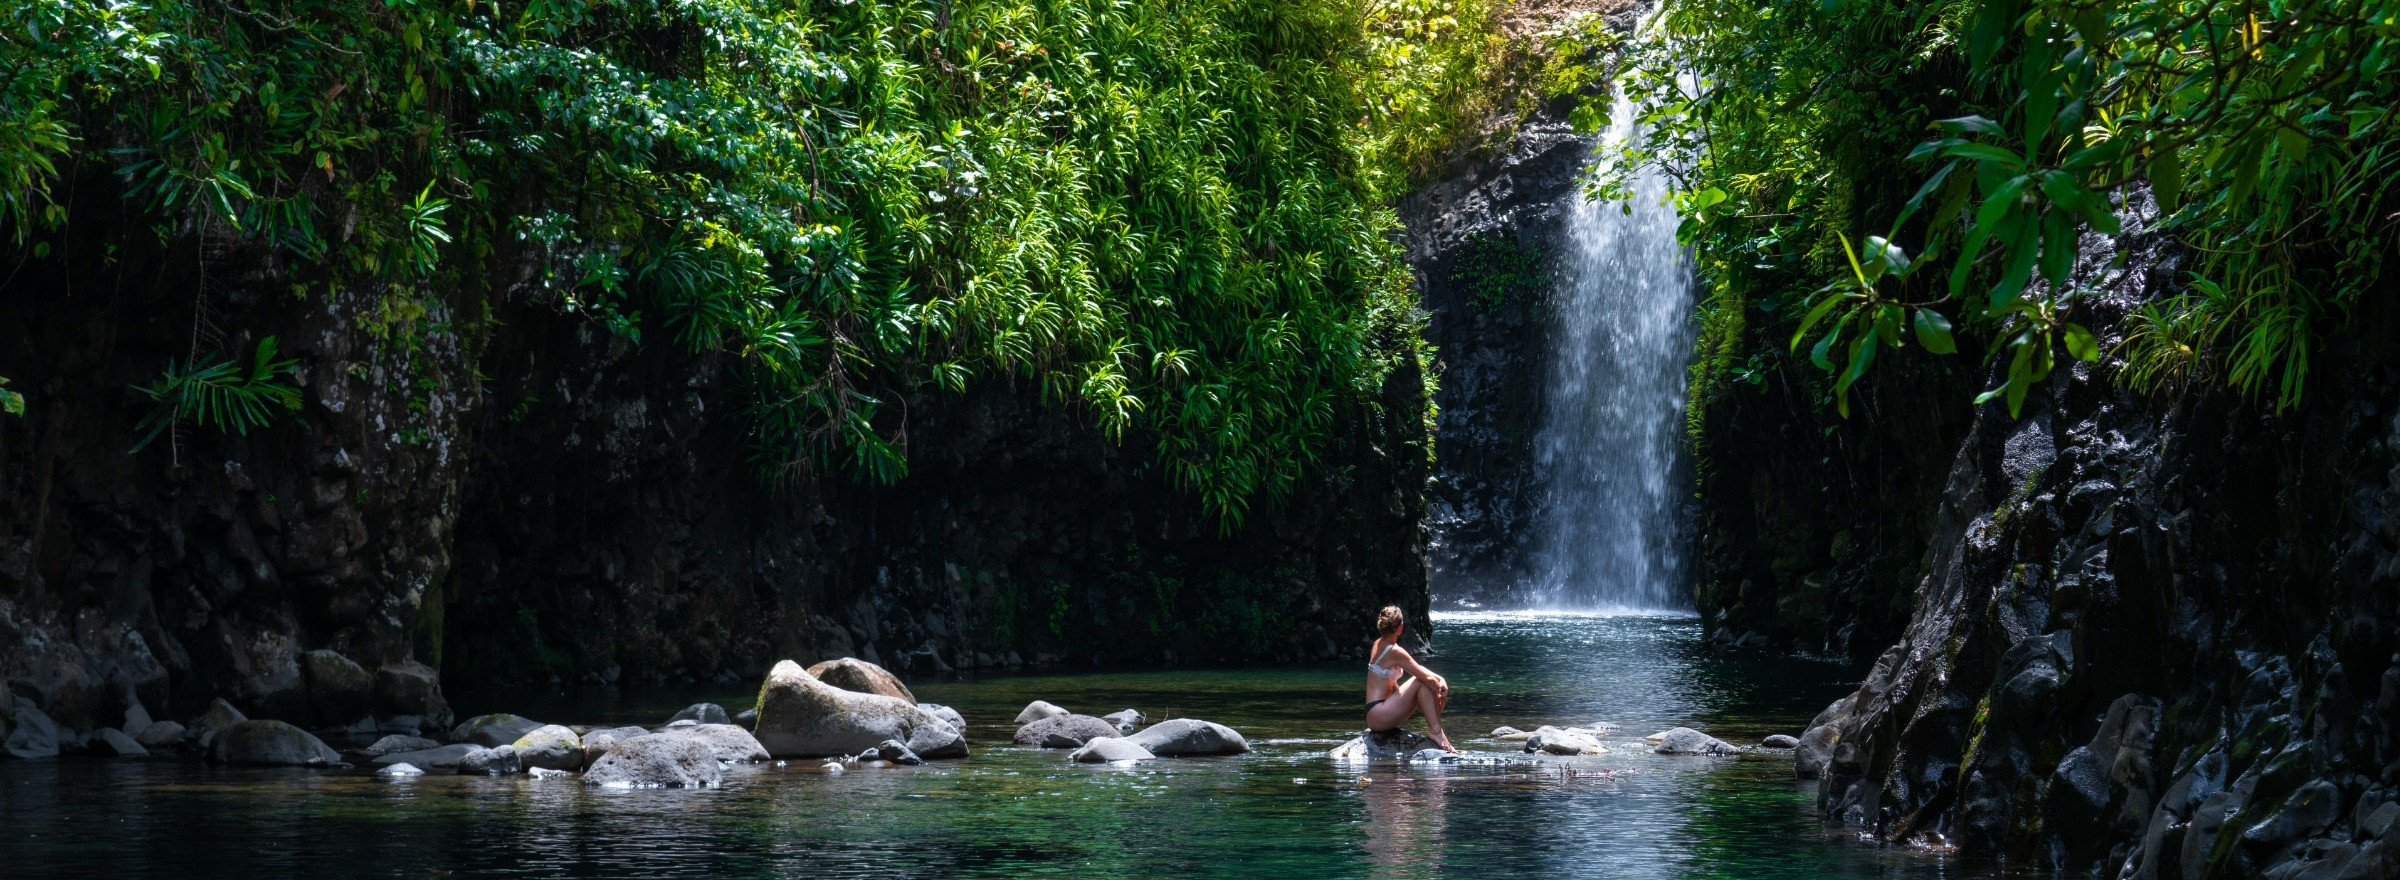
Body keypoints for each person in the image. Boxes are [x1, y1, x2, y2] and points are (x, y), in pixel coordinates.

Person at [1364, 605, 1456, 752]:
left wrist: (1440, 678)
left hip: (1376, 712)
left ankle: (1436, 731)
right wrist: (1440, 690)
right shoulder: (1393, 651)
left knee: (1422, 681)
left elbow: (1418, 670)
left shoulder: (1380, 643)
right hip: (1379, 714)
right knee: (1421, 682)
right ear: (1400, 627)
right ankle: (1436, 732)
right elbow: (1422, 676)